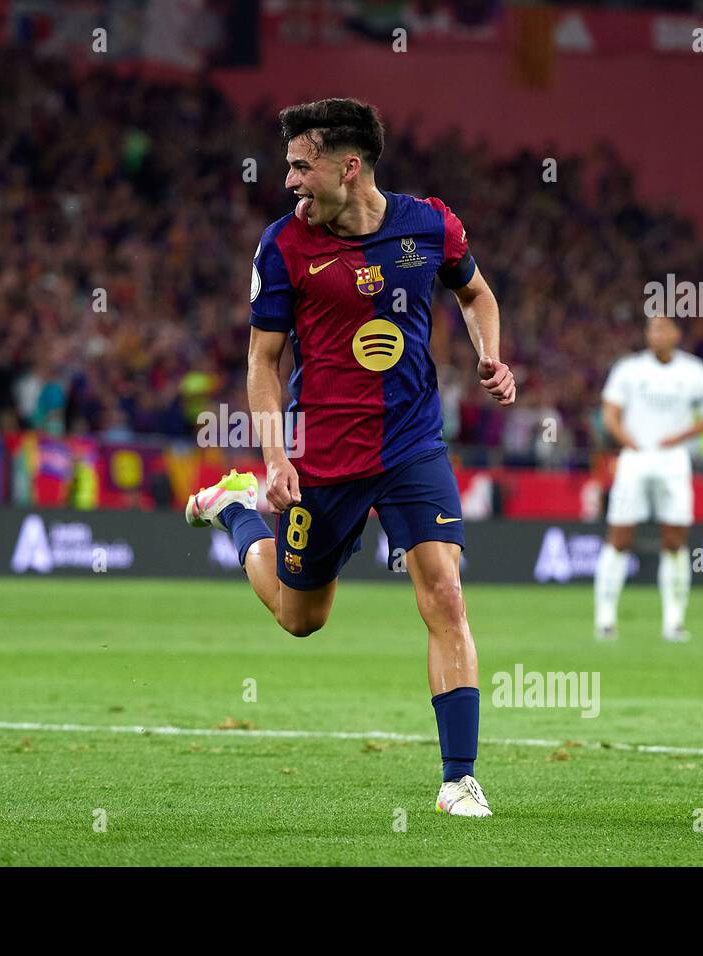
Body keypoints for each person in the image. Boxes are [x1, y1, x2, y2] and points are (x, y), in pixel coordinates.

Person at [184, 99, 515, 818]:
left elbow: (477, 293)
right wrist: (274, 460)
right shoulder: (282, 248)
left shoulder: (431, 224)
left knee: (446, 596)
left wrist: (490, 354)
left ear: (349, 166)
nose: (290, 181)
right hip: (320, 456)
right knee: (302, 618)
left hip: (410, 445)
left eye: (301, 166)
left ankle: (458, 779)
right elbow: (262, 361)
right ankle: (236, 509)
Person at [594, 314, 703, 643]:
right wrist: (627, 441)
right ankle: (605, 619)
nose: (656, 334)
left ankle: (674, 622)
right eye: (651, 328)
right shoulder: (629, 369)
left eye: (663, 328)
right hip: (635, 459)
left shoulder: (694, 372)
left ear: (676, 333)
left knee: (675, 540)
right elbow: (609, 413)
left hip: (673, 461)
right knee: (620, 536)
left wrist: (679, 437)